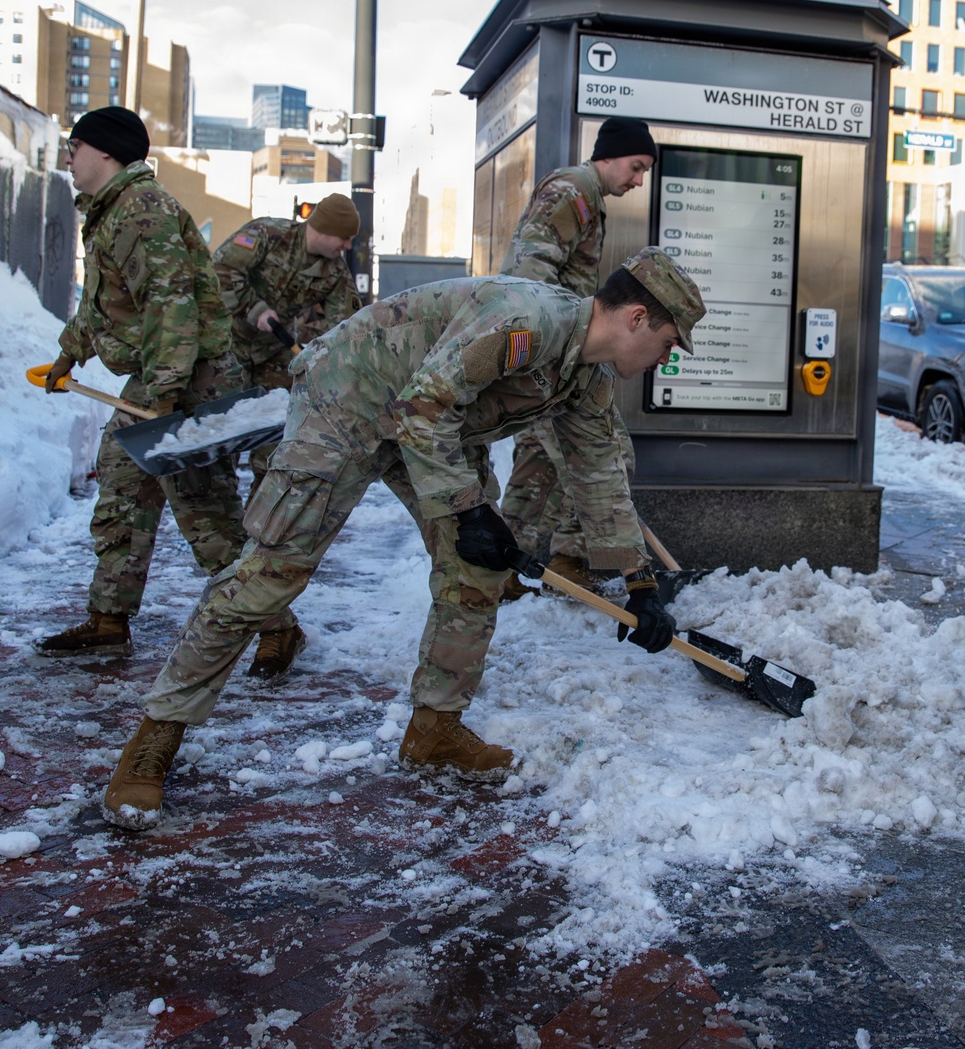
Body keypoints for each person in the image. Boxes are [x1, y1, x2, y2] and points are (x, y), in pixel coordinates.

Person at [102, 247, 705, 832]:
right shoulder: (529, 322)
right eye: (670, 341)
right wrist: (469, 509)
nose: (667, 356)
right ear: (636, 318)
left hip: (431, 424)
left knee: (475, 575)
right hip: (351, 398)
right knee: (270, 575)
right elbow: (423, 405)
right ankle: (154, 738)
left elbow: (598, 472)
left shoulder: (585, 377)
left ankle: (433, 730)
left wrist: (639, 584)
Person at [34, 107, 297, 682]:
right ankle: (108, 619)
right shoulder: (112, 213)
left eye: (73, 148)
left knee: (209, 521)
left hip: (189, 382)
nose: (69, 160)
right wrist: (67, 355)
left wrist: (163, 397)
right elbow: (105, 302)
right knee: (123, 495)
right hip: (161, 377)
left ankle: (279, 627)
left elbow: (171, 307)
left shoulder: (142, 211)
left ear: (104, 152)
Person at [498, 116, 657, 599]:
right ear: (608, 156)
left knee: (535, 463)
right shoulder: (574, 191)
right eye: (635, 166)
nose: (638, 180)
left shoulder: (585, 196)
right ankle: (569, 558)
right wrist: (550, 351)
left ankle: (497, 570)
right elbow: (529, 271)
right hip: (549, 356)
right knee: (609, 452)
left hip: (545, 352)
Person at [211, 193, 361, 505]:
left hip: (272, 353)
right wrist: (255, 309)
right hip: (226, 346)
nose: (347, 246)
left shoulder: (335, 273)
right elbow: (221, 272)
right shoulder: (266, 234)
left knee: (279, 434)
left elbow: (345, 328)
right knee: (219, 435)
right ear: (322, 228)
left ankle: (261, 519)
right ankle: (219, 513)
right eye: (344, 238)